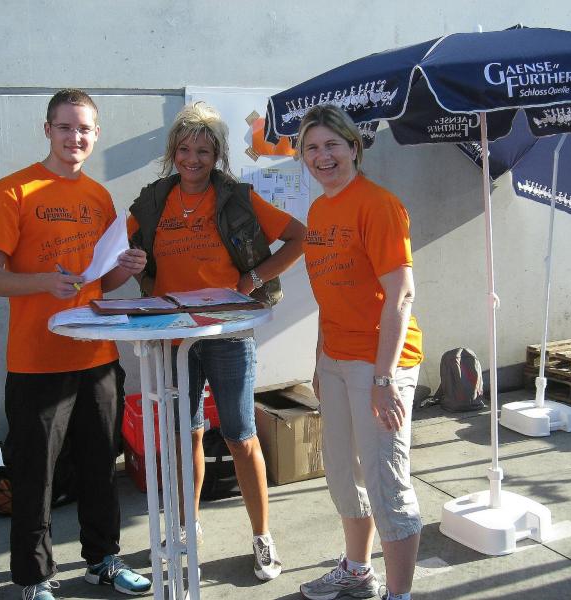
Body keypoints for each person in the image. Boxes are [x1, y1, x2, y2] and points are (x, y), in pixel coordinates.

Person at [0, 89, 152, 600]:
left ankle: (103, 560)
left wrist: (126, 268)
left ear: (97, 135)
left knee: (101, 467)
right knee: (35, 475)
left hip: (97, 356)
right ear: (47, 129)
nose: (75, 137)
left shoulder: (98, 197)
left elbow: (98, 283)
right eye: (65, 127)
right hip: (36, 361)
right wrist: (43, 283)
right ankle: (35, 578)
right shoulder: (13, 190)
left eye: (84, 129)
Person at [128, 101, 306, 581]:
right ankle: (186, 526)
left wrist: (252, 278)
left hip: (227, 332)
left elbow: (299, 237)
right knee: (185, 435)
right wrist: (136, 273)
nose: (193, 159)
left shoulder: (237, 198)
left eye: (203, 151)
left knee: (240, 435)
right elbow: (121, 250)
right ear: (173, 152)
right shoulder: (152, 202)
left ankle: (262, 536)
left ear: (217, 155)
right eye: (185, 149)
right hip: (173, 335)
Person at [296, 104, 424, 600]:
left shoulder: (379, 205)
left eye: (332, 144)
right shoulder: (319, 211)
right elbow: (330, 294)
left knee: (386, 481)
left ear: (354, 147)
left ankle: (399, 594)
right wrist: (319, 358)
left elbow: (401, 294)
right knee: (344, 475)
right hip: (335, 359)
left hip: (379, 363)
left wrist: (384, 378)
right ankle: (357, 570)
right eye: (312, 148)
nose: (322, 156)